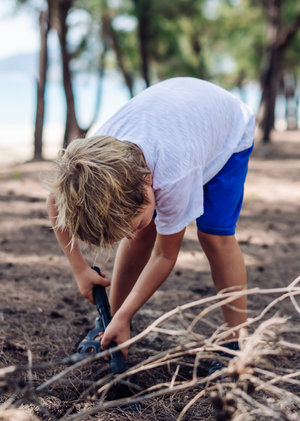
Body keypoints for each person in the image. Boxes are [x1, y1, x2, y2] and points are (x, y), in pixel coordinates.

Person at [47, 77, 255, 367]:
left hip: (228, 132)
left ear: (148, 183)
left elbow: (164, 254)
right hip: (176, 122)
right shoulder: (85, 162)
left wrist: (127, 316)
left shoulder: (174, 175)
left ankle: (235, 341)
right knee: (143, 232)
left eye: (132, 223)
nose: (129, 233)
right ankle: (110, 322)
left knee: (214, 236)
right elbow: (54, 203)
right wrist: (80, 269)